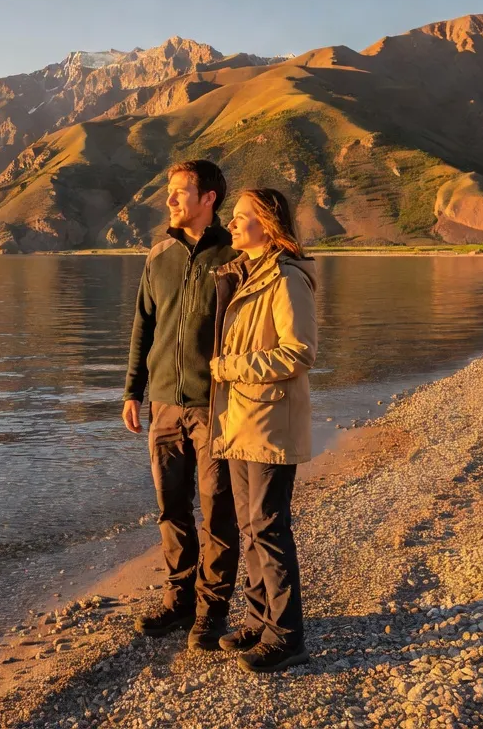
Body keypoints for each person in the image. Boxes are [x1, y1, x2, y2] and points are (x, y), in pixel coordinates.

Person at [123, 159, 242, 651]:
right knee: (171, 508)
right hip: (165, 406)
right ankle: (179, 602)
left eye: (179, 192)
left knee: (217, 511)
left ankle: (213, 611)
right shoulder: (158, 256)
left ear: (208, 198)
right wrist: (133, 390)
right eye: (169, 192)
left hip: (217, 406)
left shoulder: (236, 256)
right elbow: (142, 326)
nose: (169, 200)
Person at [207, 188, 317, 673]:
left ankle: (288, 636)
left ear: (268, 226)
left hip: (270, 421)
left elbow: (299, 352)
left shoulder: (287, 279)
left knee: (269, 528)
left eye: (240, 217)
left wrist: (231, 368)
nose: (231, 225)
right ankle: (259, 619)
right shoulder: (245, 274)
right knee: (250, 528)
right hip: (240, 419)